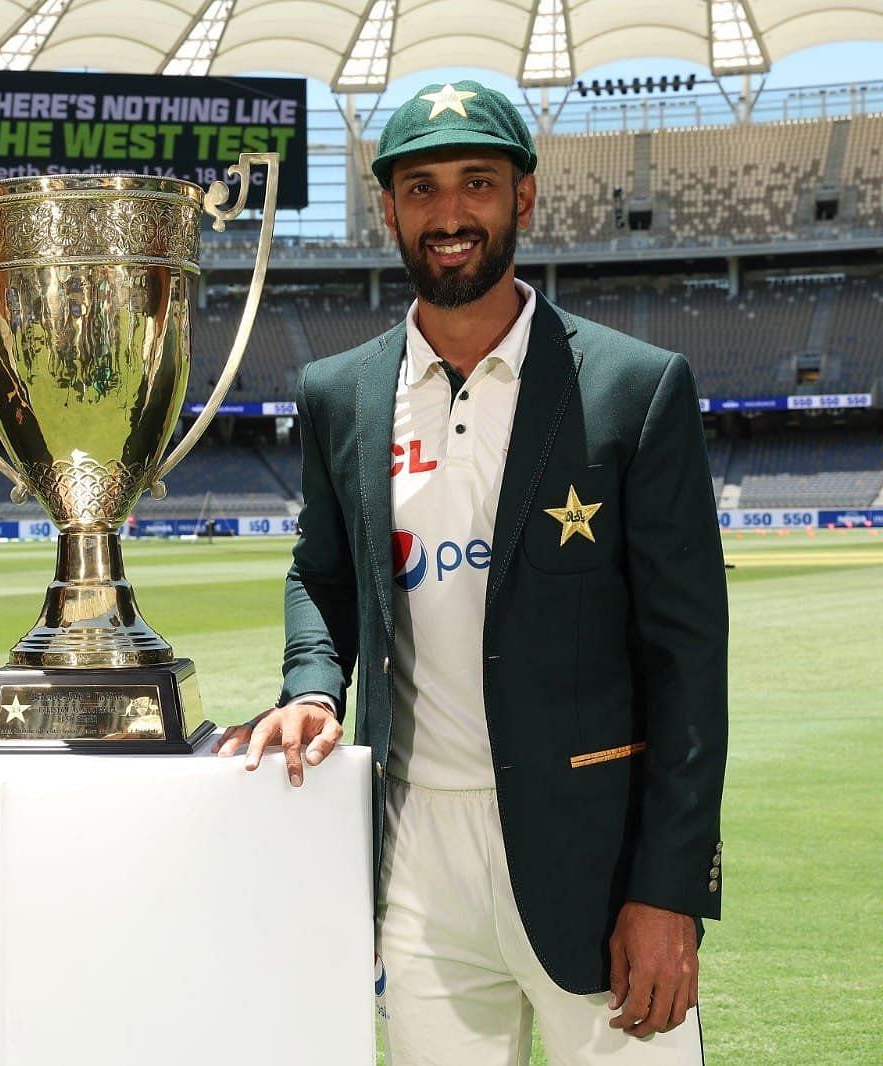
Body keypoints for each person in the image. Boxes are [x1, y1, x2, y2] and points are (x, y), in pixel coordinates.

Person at [217, 80, 727, 1064]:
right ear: (391, 209)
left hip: (595, 854)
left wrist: (668, 889)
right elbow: (320, 576)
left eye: (476, 184)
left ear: (522, 200)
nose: (448, 214)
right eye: (420, 189)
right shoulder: (340, 394)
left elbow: (686, 662)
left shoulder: (633, 387)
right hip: (416, 858)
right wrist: (313, 686)